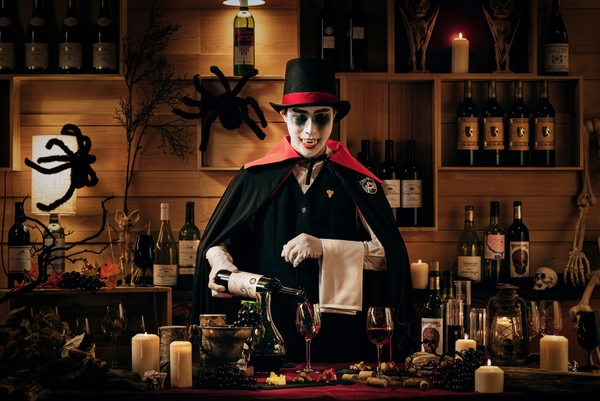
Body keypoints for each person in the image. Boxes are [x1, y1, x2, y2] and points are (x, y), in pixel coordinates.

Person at [191, 58, 416, 363]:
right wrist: (220, 263)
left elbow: (390, 256)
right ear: (284, 116)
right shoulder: (254, 177)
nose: (311, 131)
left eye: (321, 118)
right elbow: (216, 242)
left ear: (334, 117)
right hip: (268, 335)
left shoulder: (358, 181)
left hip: (340, 340)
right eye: (300, 118)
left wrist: (324, 247)